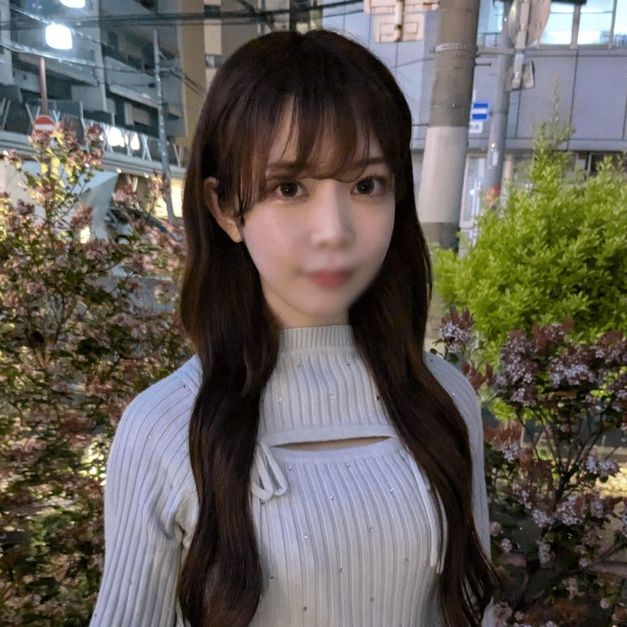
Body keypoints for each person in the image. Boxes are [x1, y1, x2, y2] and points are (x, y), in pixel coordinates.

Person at [90, 29, 500, 627]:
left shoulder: (441, 399)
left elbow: (474, 609)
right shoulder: (165, 428)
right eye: (289, 188)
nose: (334, 230)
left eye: (365, 185)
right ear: (226, 208)